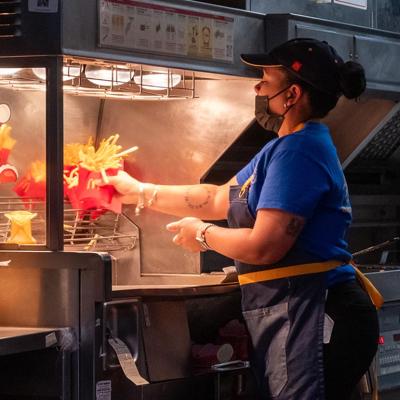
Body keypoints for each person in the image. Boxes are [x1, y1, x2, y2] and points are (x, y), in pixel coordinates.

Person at [101, 38, 379, 400]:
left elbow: (265, 246)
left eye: (265, 77)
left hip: (316, 314)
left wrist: (202, 235)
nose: (257, 86)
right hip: (299, 311)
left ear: (291, 94)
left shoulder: (299, 152)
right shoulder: (282, 148)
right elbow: (218, 196)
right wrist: (138, 190)